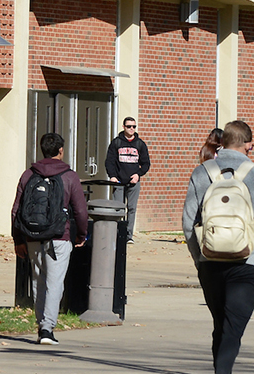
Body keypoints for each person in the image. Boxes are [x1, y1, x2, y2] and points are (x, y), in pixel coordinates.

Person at [181, 119, 254, 374]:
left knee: (221, 326)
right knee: (233, 328)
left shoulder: (202, 172)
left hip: (210, 261)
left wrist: (198, 257)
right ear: (249, 144)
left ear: (222, 142)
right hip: (245, 261)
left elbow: (188, 222)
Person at [11, 131, 90, 345]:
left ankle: (41, 326)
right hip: (59, 237)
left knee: (39, 281)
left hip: (32, 236)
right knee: (55, 283)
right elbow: (81, 211)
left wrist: (18, 239)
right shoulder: (69, 176)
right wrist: (81, 235)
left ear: (42, 150)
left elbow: (16, 210)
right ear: (61, 151)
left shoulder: (28, 175)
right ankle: (47, 329)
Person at [104, 116, 152, 234]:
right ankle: (117, 233)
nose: (131, 129)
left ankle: (128, 235)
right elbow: (109, 162)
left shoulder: (140, 144)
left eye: (134, 126)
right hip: (119, 181)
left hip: (133, 182)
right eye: (129, 126)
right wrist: (113, 176)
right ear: (124, 127)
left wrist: (138, 175)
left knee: (131, 208)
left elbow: (146, 164)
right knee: (118, 208)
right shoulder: (117, 142)